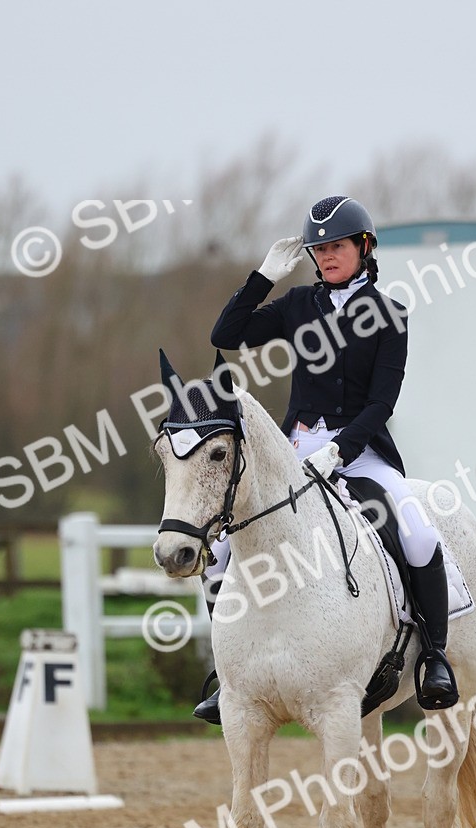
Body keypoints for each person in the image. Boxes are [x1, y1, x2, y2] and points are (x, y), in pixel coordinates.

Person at [194, 195, 458, 724]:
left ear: (364, 247)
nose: (327, 256)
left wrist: (344, 447)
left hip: (360, 453)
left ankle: (433, 656)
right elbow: (225, 336)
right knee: (221, 549)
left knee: (419, 532)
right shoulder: (298, 306)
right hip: (294, 451)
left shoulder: (389, 314)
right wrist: (262, 278)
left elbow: (383, 401)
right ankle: (230, 672)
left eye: (336, 246)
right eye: (319, 249)